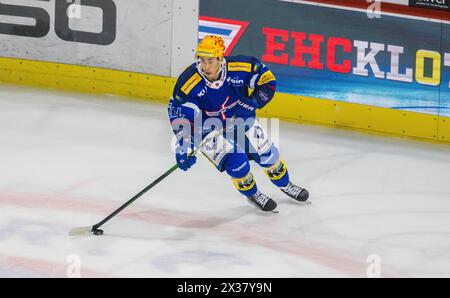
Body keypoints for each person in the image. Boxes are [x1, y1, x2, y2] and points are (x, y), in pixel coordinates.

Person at [167, 35, 309, 212]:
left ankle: (285, 184)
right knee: (238, 164)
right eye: (202, 60)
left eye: (210, 60)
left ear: (220, 58)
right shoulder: (189, 81)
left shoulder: (241, 67)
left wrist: (252, 102)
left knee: (267, 155)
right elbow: (179, 112)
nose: (205, 66)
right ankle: (253, 194)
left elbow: (268, 81)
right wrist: (183, 144)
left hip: (240, 118)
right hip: (208, 129)